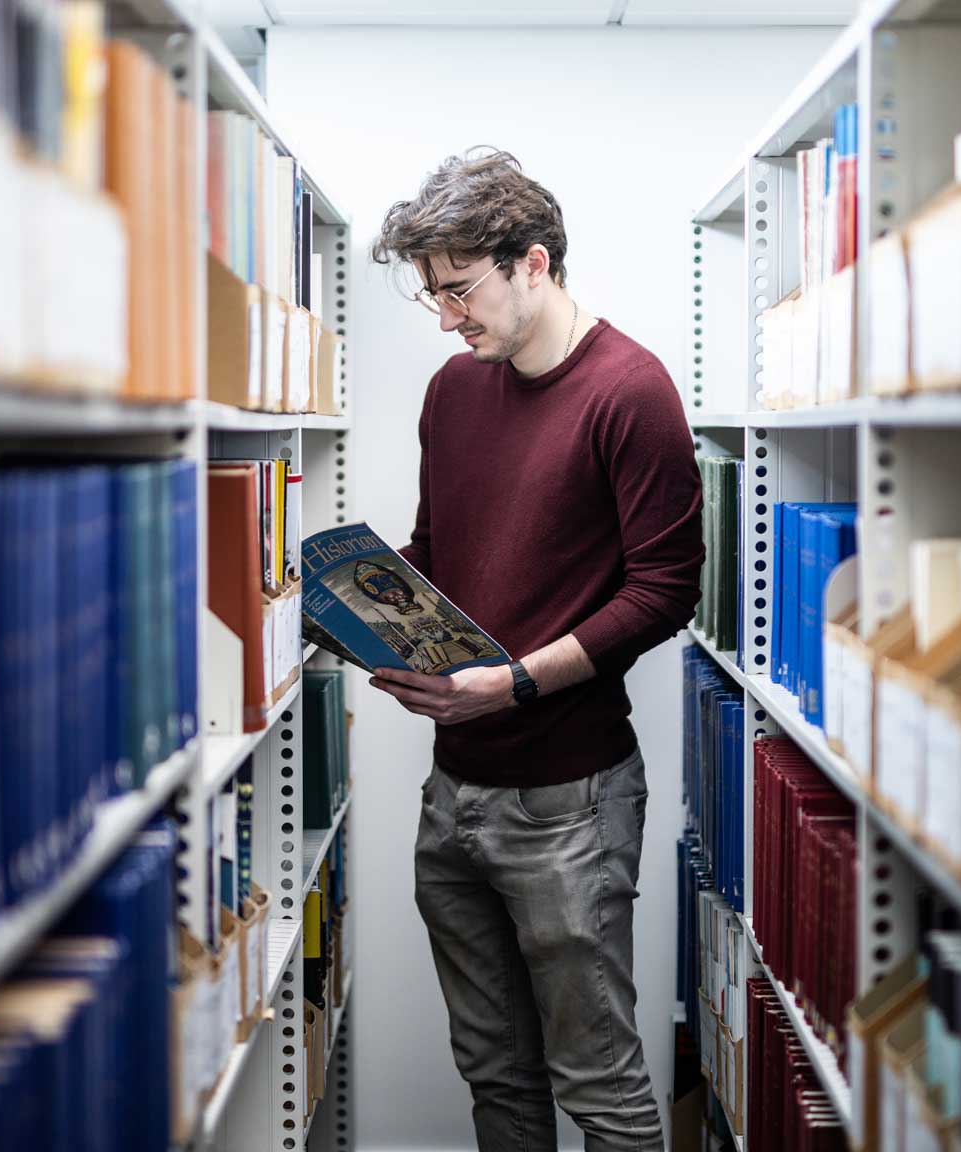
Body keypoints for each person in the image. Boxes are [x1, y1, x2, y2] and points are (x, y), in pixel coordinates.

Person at [368, 147, 704, 1152]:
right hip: (453, 793)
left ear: (534, 263)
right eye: (431, 295)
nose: (445, 319)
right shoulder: (452, 392)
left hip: (571, 799)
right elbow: (439, 551)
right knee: (496, 1079)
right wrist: (359, 602)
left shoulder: (628, 390)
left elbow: (662, 592)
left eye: (459, 291)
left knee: (596, 1082)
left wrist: (510, 686)